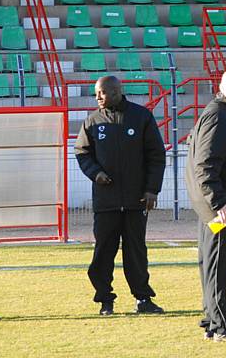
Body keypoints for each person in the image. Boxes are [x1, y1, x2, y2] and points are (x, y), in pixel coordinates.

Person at [75, 76, 166, 316]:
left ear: (117, 91)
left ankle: (143, 299)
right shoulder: (92, 122)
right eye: (96, 93)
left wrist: (151, 190)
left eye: (102, 93)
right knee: (104, 251)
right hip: (106, 202)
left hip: (137, 200)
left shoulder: (141, 116)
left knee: (136, 251)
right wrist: (96, 174)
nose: (97, 98)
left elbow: (156, 155)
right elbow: (82, 153)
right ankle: (105, 300)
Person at [185, 68, 226, 343]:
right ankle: (221, 326)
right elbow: (204, 165)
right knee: (217, 265)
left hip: (219, 207)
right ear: (222, 86)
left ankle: (211, 322)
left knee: (213, 264)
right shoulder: (218, 116)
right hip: (219, 209)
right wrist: (219, 203)